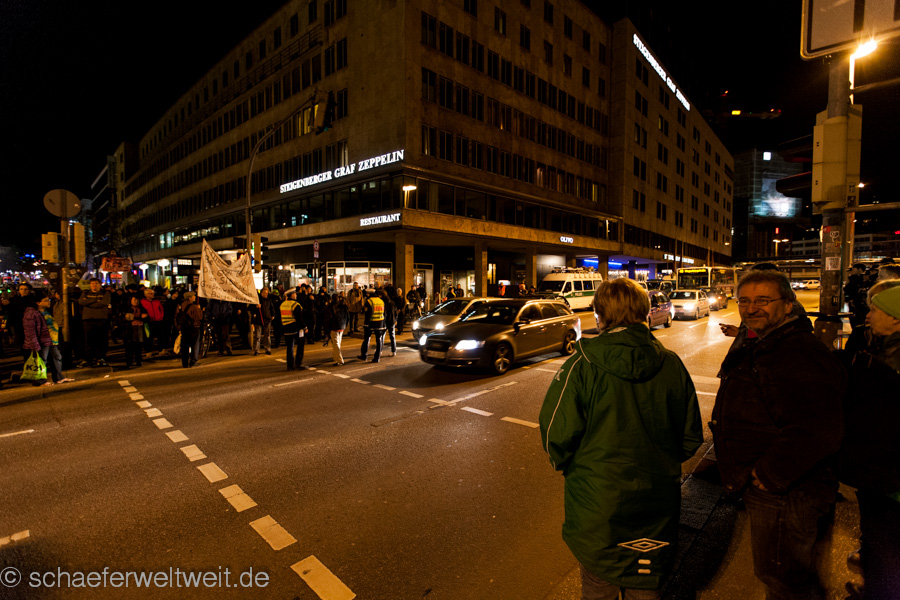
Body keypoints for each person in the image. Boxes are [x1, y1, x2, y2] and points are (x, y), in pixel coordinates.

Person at [539, 278, 702, 600]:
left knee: (599, 584)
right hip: (656, 500)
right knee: (647, 582)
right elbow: (690, 437)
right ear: (644, 311)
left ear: (601, 314)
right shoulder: (671, 364)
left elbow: (556, 435)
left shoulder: (582, 365)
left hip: (598, 501)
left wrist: (576, 469)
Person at [712, 270, 845, 600]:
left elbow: (819, 427)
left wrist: (768, 475)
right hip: (778, 488)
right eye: (744, 301)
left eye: (762, 300)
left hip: (787, 492)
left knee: (784, 578)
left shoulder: (797, 352)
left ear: (787, 305)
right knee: (781, 575)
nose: (751, 308)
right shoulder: (771, 343)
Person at [837, 281, 900, 600]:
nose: (867, 315)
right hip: (878, 471)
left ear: (896, 318)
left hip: (889, 476)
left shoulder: (893, 360)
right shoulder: (882, 347)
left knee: (887, 546)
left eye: (875, 309)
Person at [77, 278, 112, 367]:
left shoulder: (105, 293)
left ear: (100, 284)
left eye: (96, 283)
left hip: (101, 319)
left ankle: (100, 357)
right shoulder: (85, 293)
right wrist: (96, 300)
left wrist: (88, 302)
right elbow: (81, 302)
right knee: (89, 340)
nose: (94, 285)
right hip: (88, 319)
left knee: (101, 340)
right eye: (92, 283)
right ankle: (89, 358)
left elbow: (104, 302)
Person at [23, 291, 53, 386]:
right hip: (39, 342)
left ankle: (41, 380)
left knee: (42, 361)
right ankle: (39, 380)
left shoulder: (37, 313)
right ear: (38, 303)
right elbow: (30, 331)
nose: (48, 302)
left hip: (42, 341)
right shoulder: (32, 314)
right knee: (40, 361)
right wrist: (35, 344)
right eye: (46, 300)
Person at [279, 289, 307, 370]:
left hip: (285, 328)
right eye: (295, 294)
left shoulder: (282, 304)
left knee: (289, 347)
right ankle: (298, 363)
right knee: (300, 345)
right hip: (295, 328)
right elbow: (299, 318)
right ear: (292, 295)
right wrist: (304, 327)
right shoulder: (295, 305)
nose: (296, 295)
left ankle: (290, 365)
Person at [357, 290, 386, 362]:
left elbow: (368, 314)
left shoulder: (369, 301)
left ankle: (364, 355)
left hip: (371, 323)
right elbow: (384, 313)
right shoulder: (381, 301)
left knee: (366, 339)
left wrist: (366, 324)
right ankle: (377, 357)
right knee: (378, 340)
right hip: (380, 323)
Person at [176, 291, 203, 368]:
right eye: (194, 296)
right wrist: (199, 309)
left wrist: (178, 326)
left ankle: (184, 362)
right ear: (190, 298)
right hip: (193, 327)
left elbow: (176, 316)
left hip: (184, 327)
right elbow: (199, 317)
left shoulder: (180, 306)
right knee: (194, 345)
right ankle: (193, 361)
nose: (195, 297)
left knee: (185, 345)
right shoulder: (193, 307)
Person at [324, 293, 349, 365]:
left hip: (334, 327)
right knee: (338, 343)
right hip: (342, 326)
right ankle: (335, 357)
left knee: (335, 344)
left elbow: (327, 320)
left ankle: (339, 360)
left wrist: (326, 331)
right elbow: (348, 317)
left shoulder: (330, 307)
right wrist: (345, 325)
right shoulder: (343, 306)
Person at [122, 294, 147, 368]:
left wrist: (144, 317)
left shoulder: (141, 309)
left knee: (138, 345)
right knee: (129, 346)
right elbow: (124, 318)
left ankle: (138, 360)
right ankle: (129, 361)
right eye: (134, 300)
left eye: (137, 300)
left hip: (139, 327)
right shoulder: (127, 309)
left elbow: (146, 317)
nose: (136, 301)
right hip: (130, 328)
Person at [140, 287, 166, 355]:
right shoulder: (142, 302)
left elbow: (161, 309)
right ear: (146, 294)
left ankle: (161, 349)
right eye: (151, 293)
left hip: (158, 320)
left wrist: (161, 316)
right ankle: (148, 350)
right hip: (148, 321)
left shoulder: (156, 301)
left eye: (153, 293)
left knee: (160, 336)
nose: (153, 295)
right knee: (148, 336)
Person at [252, 287, 275, 356]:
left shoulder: (268, 300)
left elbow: (272, 308)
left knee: (267, 335)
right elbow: (250, 308)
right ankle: (256, 350)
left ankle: (267, 349)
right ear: (261, 293)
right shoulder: (257, 300)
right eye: (265, 293)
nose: (266, 295)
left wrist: (273, 315)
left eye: (267, 293)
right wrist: (256, 307)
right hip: (259, 320)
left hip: (267, 319)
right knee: (257, 336)